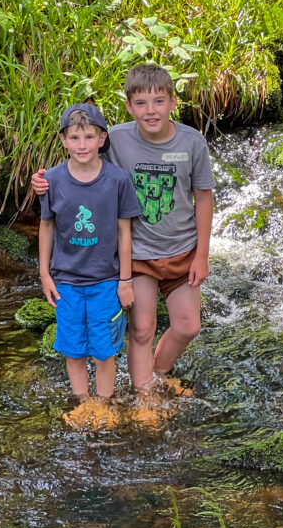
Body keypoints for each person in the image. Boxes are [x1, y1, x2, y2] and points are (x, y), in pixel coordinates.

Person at [33, 64, 215, 391]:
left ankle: (159, 372)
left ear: (173, 102)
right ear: (129, 106)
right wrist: (44, 181)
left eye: (159, 101)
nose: (150, 111)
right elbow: (80, 159)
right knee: (142, 329)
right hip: (137, 255)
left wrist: (202, 255)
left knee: (188, 327)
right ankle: (144, 394)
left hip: (182, 250)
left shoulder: (192, 142)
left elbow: (203, 198)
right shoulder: (114, 139)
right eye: (141, 103)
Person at [38, 103, 139, 402]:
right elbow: (47, 226)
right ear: (63, 140)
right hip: (66, 283)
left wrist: (125, 281)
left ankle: (104, 404)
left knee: (104, 351)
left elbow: (124, 232)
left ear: (102, 139)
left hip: (105, 281)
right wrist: (44, 274)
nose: (82, 145)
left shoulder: (118, 180)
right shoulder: (52, 180)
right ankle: (83, 402)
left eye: (89, 137)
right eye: (74, 138)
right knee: (73, 350)